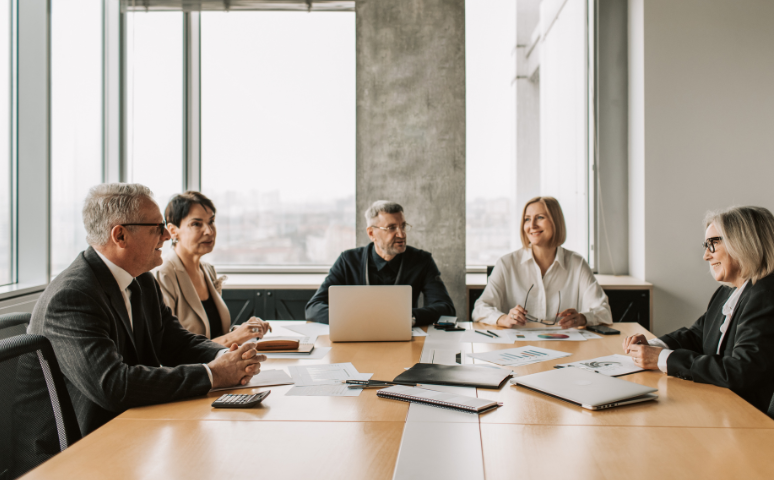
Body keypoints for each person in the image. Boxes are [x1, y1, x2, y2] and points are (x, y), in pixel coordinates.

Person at [18, 183, 266, 468]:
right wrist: (213, 375)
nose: (165, 234)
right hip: (72, 454)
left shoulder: (141, 280)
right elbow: (114, 386)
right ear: (120, 235)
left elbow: (175, 341)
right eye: (156, 227)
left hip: (127, 430)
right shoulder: (72, 296)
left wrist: (228, 357)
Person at [624, 206, 774, 413]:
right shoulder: (730, 292)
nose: (705, 256)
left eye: (712, 244)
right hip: (724, 406)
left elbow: (740, 371)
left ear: (742, 244)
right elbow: (698, 334)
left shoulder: (767, 296)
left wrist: (663, 359)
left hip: (753, 418)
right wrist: (655, 345)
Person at [305, 200, 456, 325]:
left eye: (403, 226)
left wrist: (407, 317)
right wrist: (358, 319)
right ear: (372, 233)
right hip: (358, 340)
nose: (402, 234)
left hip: (404, 339)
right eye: (392, 228)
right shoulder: (348, 261)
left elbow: (446, 308)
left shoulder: (421, 261)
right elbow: (313, 308)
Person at [472, 196, 612, 328]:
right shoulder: (506, 264)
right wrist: (503, 319)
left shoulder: (577, 264)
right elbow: (480, 308)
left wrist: (582, 318)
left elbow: (604, 311)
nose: (531, 225)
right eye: (527, 219)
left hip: (564, 346)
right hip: (518, 347)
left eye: (540, 217)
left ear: (555, 222)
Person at [154, 191, 271, 347]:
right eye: (196, 224)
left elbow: (215, 335)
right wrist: (233, 337)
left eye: (211, 222)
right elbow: (169, 350)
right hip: (193, 371)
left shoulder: (208, 270)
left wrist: (245, 331)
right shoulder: (163, 274)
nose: (209, 231)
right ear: (173, 230)